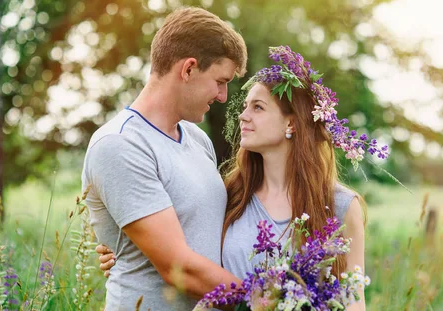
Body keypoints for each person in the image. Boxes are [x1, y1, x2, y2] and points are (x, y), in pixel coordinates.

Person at [98, 46, 390, 310]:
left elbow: (352, 302)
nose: (242, 116)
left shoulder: (338, 206)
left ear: (291, 122)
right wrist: (124, 252)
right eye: (245, 106)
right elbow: (181, 239)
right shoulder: (231, 195)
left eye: (258, 107)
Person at [82, 6, 248, 310]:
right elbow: (178, 267)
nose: (223, 96)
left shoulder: (197, 139)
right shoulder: (119, 144)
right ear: (188, 69)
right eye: (220, 81)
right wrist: (270, 301)